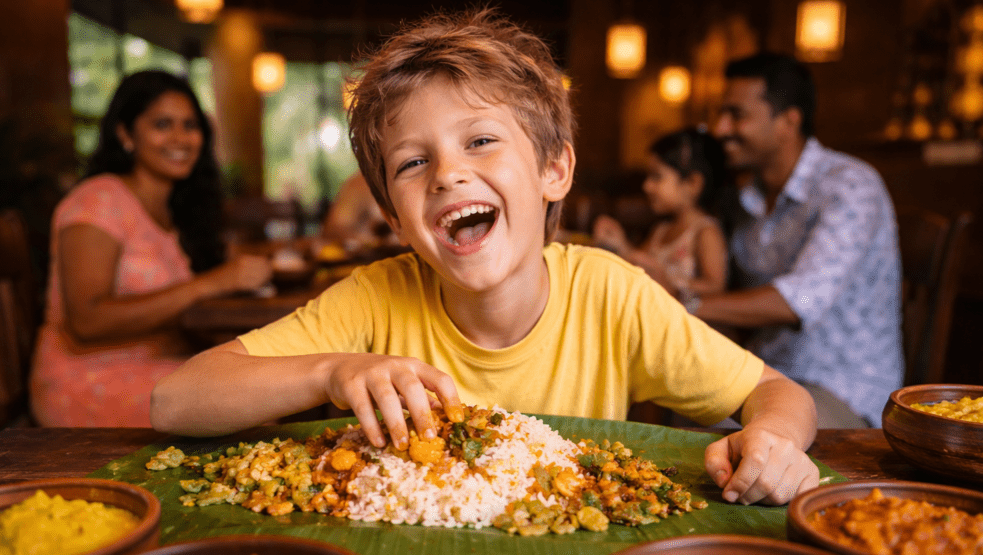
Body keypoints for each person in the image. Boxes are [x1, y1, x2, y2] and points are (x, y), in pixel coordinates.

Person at [152, 10, 820, 506]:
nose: (447, 174)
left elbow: (777, 392)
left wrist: (775, 443)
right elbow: (175, 400)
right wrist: (331, 369)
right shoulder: (374, 297)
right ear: (394, 219)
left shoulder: (612, 295)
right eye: (412, 162)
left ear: (553, 169)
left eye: (480, 140)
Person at [29, 70, 273, 428]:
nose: (182, 138)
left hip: (162, 365)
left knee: (272, 380)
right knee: (258, 401)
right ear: (125, 134)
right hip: (88, 381)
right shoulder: (98, 200)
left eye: (190, 125)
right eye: (163, 124)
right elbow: (87, 321)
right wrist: (214, 282)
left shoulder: (173, 210)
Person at [690, 52, 903, 429]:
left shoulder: (849, 185)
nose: (720, 129)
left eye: (736, 115)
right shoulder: (748, 197)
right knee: (677, 407)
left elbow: (797, 301)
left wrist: (681, 304)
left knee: (715, 437)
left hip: (842, 388)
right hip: (767, 375)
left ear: (788, 122)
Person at [591, 128, 729, 301]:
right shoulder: (661, 231)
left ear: (692, 183)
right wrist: (620, 244)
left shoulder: (705, 232)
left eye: (657, 177)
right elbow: (639, 267)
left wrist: (671, 284)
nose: (647, 186)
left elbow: (715, 287)